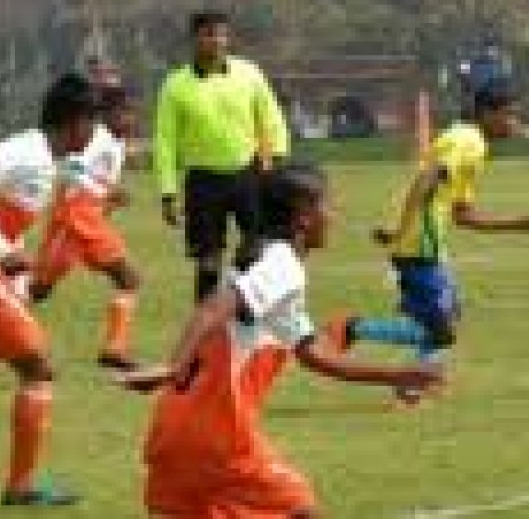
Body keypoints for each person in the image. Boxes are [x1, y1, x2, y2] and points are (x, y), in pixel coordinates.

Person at [116, 162, 438, 518]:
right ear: (303, 215)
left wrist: (394, 376)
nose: (331, 216)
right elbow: (213, 307)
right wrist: (174, 365)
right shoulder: (281, 266)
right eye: (326, 206)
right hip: (220, 437)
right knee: (300, 510)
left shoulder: (264, 262)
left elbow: (313, 354)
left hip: (172, 431)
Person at [329, 82, 529, 404]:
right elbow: (426, 179)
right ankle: (356, 331)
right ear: (488, 114)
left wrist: (519, 225)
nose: (515, 122)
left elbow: (463, 215)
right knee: (440, 330)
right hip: (419, 247)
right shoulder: (468, 142)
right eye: (510, 115)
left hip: (425, 245)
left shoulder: (467, 141)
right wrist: (401, 230)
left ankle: (416, 381)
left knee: (446, 319)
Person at [0, 74, 99, 505]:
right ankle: (21, 486)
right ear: (75, 121)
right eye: (93, 122)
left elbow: (4, 228)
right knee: (38, 367)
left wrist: (11, 293)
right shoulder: (26, 151)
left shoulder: (45, 161)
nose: (95, 133)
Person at [154, 10, 289, 303]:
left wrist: (276, 159)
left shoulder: (249, 73)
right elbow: (165, 141)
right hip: (203, 181)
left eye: (222, 34)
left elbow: (271, 118)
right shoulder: (175, 85)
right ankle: (204, 330)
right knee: (208, 260)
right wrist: (167, 192)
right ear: (194, 39)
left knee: (257, 249)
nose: (217, 41)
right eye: (209, 34)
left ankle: (246, 314)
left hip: (248, 174)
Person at [28, 84, 141, 370]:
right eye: (126, 112)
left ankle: (115, 348)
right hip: (73, 219)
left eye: (133, 112)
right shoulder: (97, 138)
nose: (132, 118)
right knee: (37, 289)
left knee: (128, 278)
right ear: (108, 114)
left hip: (91, 221)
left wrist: (108, 199)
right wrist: (106, 191)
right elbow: (69, 168)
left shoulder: (116, 143)